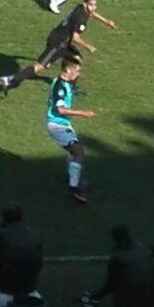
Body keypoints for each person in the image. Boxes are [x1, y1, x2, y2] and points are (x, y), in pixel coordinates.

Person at [0, 0, 117, 94]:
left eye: (95, 5)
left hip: (63, 41)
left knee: (77, 61)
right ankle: (9, 80)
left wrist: (107, 21)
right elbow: (76, 38)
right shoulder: (79, 19)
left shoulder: (81, 8)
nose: (94, 7)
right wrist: (88, 46)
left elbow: (92, 13)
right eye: (91, 5)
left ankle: (70, 89)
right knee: (40, 67)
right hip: (57, 43)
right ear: (85, 4)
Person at [45, 55, 93, 204]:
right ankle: (73, 190)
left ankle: (73, 179)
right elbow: (60, 110)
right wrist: (82, 113)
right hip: (58, 125)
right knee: (79, 152)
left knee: (73, 152)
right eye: (76, 71)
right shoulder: (59, 87)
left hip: (63, 124)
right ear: (68, 70)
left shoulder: (63, 82)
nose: (78, 74)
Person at [87, 227, 154, 307]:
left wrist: (98, 296)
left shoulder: (118, 256)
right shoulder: (145, 249)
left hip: (131, 305)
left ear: (115, 238)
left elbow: (111, 283)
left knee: (120, 282)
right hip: (150, 302)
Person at [0, 205, 45, 307]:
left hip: (3, 294)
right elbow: (39, 263)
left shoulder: (0, 238)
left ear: (3, 219)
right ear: (22, 217)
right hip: (30, 293)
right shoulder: (36, 235)